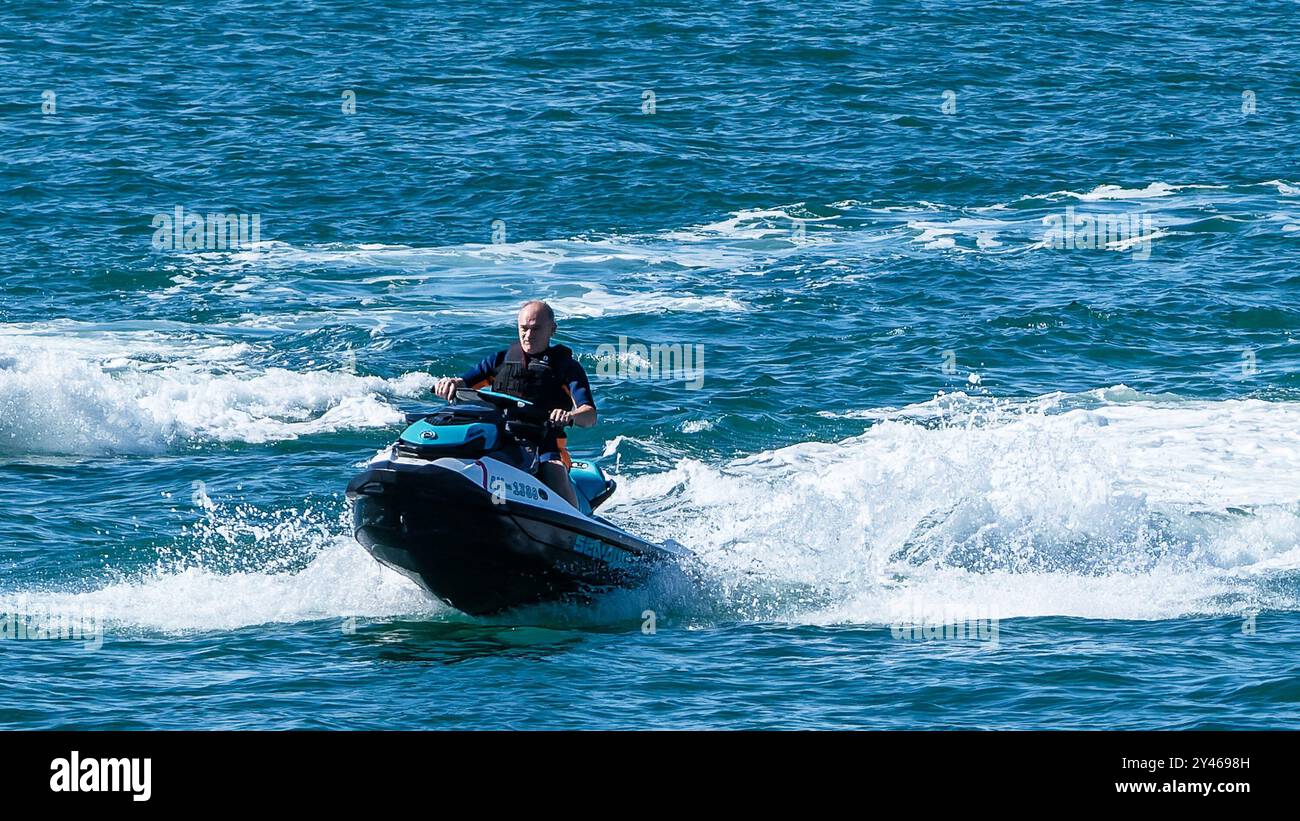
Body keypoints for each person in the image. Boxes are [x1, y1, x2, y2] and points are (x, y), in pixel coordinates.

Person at [433, 300, 596, 507]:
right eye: (524, 329)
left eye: (536, 329)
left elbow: (589, 415)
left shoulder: (566, 367)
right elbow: (464, 383)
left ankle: (574, 527)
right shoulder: (500, 360)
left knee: (552, 467)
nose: (528, 335)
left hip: (545, 444)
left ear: (552, 330)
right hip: (501, 438)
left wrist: (570, 416)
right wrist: (450, 383)